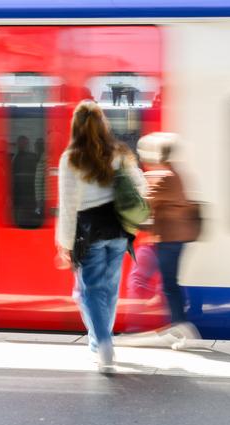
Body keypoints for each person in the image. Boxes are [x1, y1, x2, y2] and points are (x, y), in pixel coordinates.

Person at [55, 100, 146, 374]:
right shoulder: (118, 152)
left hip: (89, 231)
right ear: (103, 124)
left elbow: (68, 206)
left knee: (92, 291)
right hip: (117, 230)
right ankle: (101, 342)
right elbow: (141, 186)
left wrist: (65, 244)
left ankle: (102, 346)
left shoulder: (71, 158)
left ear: (76, 126)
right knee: (108, 290)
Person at [136, 133, 201, 346]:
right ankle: (179, 326)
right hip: (175, 238)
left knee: (169, 285)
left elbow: (145, 203)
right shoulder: (174, 174)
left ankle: (181, 327)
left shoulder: (165, 177)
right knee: (169, 283)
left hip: (170, 238)